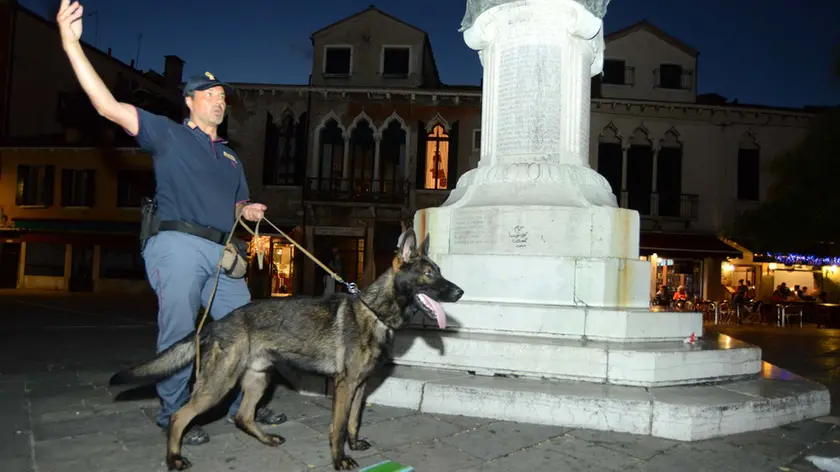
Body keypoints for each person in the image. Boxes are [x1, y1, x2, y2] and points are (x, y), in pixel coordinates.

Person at [56, 0, 286, 445]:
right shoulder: (169, 134)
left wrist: (247, 210)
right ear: (190, 101)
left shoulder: (232, 157)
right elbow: (107, 107)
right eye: (210, 95)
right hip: (177, 244)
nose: (220, 101)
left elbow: (234, 205)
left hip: (222, 254)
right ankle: (173, 413)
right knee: (181, 335)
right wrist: (71, 44)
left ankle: (248, 406)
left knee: (255, 330)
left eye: (223, 97)